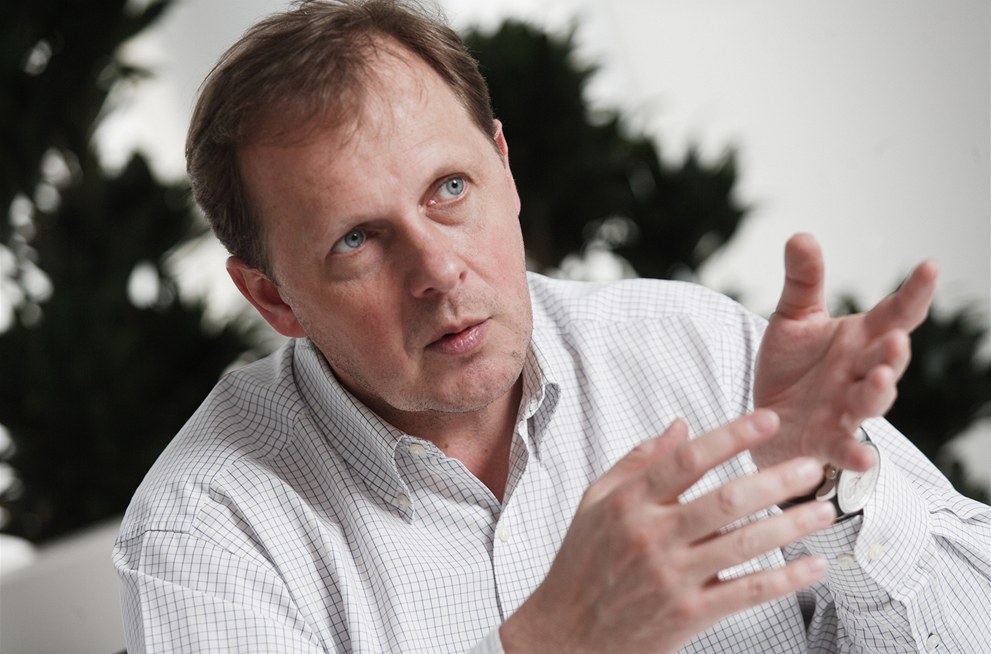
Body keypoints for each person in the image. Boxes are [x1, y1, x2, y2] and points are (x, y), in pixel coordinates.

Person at [113, 1, 991, 652]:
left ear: (503, 168)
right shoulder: (208, 527)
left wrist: (830, 494)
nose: (438, 271)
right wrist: (551, 642)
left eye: (449, 189)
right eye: (356, 240)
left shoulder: (704, 348)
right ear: (272, 299)